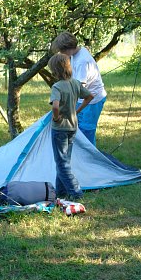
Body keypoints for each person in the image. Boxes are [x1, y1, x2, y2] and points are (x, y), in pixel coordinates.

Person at [48, 53, 94, 200]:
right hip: (72, 127)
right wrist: (77, 110)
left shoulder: (57, 86)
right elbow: (90, 96)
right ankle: (61, 192)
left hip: (60, 128)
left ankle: (76, 192)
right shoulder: (75, 83)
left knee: (61, 163)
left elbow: (55, 106)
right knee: (64, 160)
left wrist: (56, 117)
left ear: (55, 71)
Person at [51, 31, 106, 146]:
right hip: (84, 97)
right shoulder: (77, 53)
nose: (61, 54)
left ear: (68, 48)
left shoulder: (82, 61)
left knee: (86, 131)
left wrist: (67, 106)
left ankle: (90, 155)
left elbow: (78, 88)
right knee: (78, 128)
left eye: (62, 51)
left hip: (92, 100)